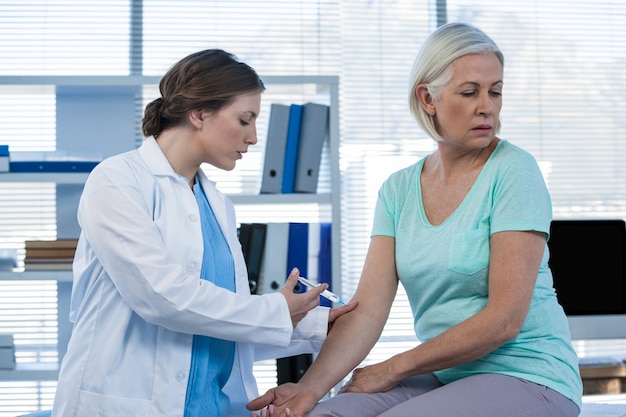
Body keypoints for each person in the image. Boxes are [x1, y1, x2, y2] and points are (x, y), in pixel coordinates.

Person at [247, 22, 583, 417]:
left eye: (495, 92)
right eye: (470, 92)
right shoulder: (398, 190)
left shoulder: (515, 172)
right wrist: (309, 390)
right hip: (445, 375)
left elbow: (504, 321)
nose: (486, 106)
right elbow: (367, 311)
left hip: (530, 376)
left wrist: (394, 367)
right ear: (428, 98)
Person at [51, 49, 355, 417]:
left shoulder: (216, 204)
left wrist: (312, 325)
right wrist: (275, 311)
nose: (254, 137)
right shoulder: (117, 180)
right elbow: (161, 297)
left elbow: (215, 330)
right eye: (245, 120)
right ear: (199, 114)